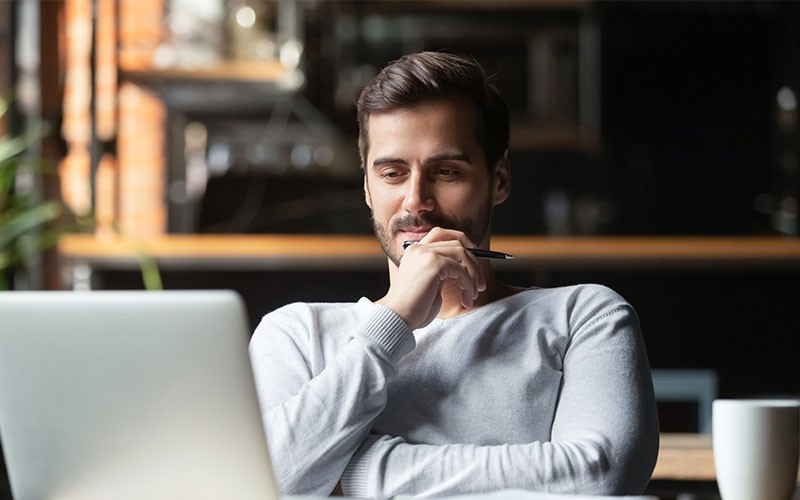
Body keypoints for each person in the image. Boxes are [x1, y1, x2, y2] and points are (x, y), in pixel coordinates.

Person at [249, 51, 659, 499]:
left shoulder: (585, 316)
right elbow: (261, 485)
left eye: (446, 172)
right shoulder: (295, 334)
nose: (415, 201)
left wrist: (355, 471)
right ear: (367, 187)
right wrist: (394, 320)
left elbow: (602, 477)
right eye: (392, 173)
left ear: (499, 179)